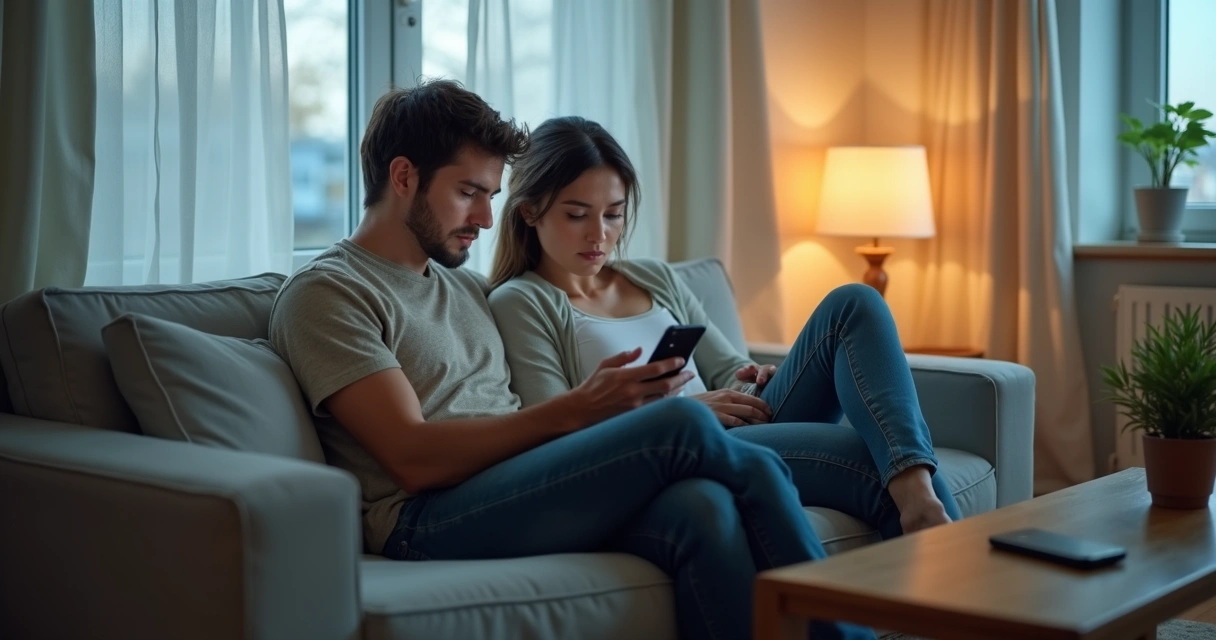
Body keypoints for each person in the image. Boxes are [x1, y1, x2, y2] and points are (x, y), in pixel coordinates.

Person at [269, 80, 874, 640]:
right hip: (426, 519)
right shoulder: (330, 292)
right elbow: (412, 459)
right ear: (403, 176)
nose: (484, 218)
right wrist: (576, 412)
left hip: (521, 484)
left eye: (491, 196)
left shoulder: (461, 286)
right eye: (468, 193)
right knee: (686, 424)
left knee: (703, 508)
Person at [487, 116, 962, 544]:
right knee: (864, 454)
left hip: (734, 428)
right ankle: (947, 558)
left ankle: (920, 501)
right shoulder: (521, 301)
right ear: (529, 211)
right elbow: (555, 437)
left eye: (613, 213)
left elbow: (728, 367)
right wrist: (690, 413)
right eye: (577, 215)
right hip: (670, 457)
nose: (600, 235)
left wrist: (754, 376)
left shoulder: (653, 277)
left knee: (855, 302)